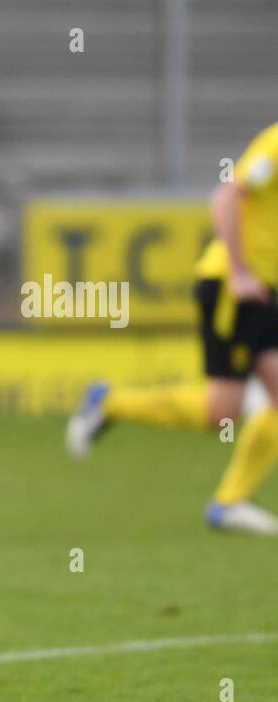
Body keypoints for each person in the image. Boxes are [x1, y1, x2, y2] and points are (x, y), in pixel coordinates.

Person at [67, 122, 278, 534]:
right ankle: (107, 402)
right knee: (222, 414)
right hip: (236, 287)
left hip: (266, 290)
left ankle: (230, 502)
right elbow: (225, 198)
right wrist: (238, 272)